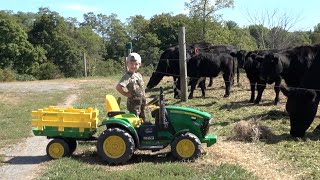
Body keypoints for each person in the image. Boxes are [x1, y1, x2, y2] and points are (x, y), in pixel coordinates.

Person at [116, 52, 147, 123]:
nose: (133, 66)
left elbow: (142, 87)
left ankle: (142, 129)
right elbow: (118, 87)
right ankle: (135, 132)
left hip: (142, 101)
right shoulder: (127, 76)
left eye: (136, 64)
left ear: (139, 64)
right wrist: (126, 94)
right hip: (134, 103)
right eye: (131, 63)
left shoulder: (138, 75)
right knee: (134, 118)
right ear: (127, 64)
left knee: (142, 116)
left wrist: (144, 97)